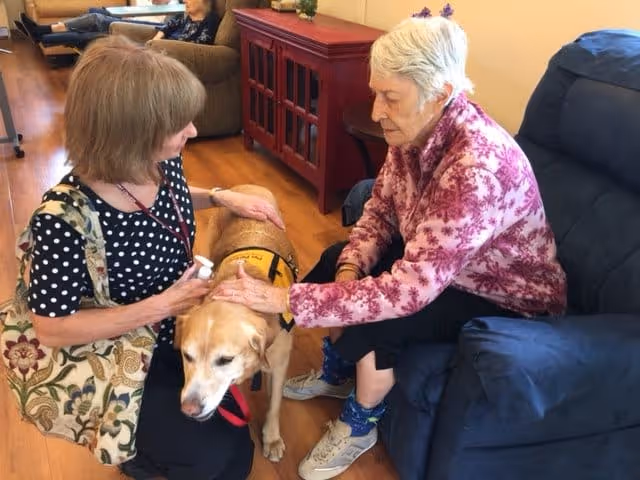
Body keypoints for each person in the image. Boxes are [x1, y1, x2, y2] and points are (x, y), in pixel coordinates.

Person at [211, 12, 568, 480]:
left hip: (503, 295)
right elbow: (379, 209)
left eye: (389, 97)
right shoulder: (413, 130)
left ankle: (361, 425)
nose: (376, 110)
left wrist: (282, 298)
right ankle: (338, 370)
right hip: (446, 262)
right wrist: (348, 268)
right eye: (376, 92)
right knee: (327, 262)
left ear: (440, 93)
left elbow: (408, 294)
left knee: (386, 320)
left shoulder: (476, 168)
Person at [24, 35, 283, 479]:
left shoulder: (161, 161)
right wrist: (160, 306)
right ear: (132, 132)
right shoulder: (61, 221)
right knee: (212, 460)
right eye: (179, 124)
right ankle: (130, 453)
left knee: (237, 454)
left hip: (178, 331)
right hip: (120, 351)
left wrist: (224, 198)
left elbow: (173, 203)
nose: (193, 132)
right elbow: (49, 329)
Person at [17, 0, 218, 48]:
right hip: (153, 36)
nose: (186, 1)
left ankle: (42, 34)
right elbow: (167, 27)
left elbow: (198, 46)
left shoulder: (207, 22)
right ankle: (41, 34)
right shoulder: (186, 17)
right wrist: (159, 37)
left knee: (94, 27)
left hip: (156, 40)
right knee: (95, 18)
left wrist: (160, 42)